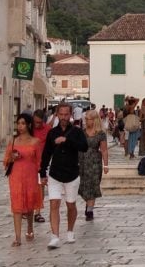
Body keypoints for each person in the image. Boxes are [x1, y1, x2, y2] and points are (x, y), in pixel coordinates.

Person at [39, 103, 89, 249]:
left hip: (72, 174)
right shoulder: (52, 133)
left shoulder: (76, 132)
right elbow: (46, 153)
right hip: (55, 173)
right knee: (54, 204)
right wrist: (42, 172)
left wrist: (67, 141)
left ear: (71, 115)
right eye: (61, 114)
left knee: (70, 205)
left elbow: (84, 147)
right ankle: (54, 236)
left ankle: (70, 230)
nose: (63, 117)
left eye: (66, 114)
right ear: (57, 114)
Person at [6, 113, 42, 247]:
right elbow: (6, 160)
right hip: (15, 175)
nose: (20, 126)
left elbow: (39, 161)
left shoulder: (35, 142)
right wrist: (12, 157)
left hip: (30, 176)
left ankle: (30, 228)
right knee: (16, 204)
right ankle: (17, 237)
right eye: (18, 123)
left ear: (28, 125)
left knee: (29, 204)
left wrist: (41, 176)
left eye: (23, 123)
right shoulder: (13, 141)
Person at [78, 109, 108, 221]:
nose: (86, 121)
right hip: (82, 161)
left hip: (95, 162)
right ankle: (88, 204)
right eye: (85, 119)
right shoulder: (82, 132)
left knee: (93, 185)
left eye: (88, 119)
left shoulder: (101, 134)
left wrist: (106, 165)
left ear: (94, 120)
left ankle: (90, 210)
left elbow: (104, 150)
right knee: (85, 186)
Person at [31, 110, 51, 223]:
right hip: (28, 162)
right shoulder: (29, 128)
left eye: (39, 122)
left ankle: (37, 212)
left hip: (42, 163)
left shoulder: (47, 129)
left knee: (40, 186)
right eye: (35, 122)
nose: (36, 124)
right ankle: (28, 209)